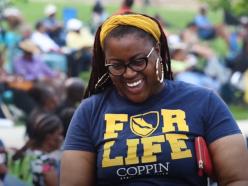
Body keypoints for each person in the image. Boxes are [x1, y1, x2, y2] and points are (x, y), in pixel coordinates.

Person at [60, 13, 248, 186]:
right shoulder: (90, 111)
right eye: (117, 66)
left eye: (138, 61)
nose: (129, 73)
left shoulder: (203, 101)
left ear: (157, 52)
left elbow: (237, 179)